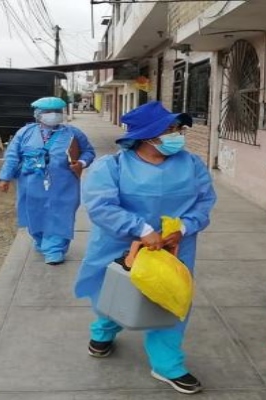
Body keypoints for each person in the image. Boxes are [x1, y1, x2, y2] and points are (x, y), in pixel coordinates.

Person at [74, 101, 216, 394]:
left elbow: (204, 201)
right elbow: (101, 206)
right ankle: (105, 330)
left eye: (178, 128)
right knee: (115, 292)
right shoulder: (112, 166)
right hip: (119, 245)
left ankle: (167, 364)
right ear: (147, 135)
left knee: (170, 299)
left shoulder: (191, 164)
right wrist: (142, 229)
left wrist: (184, 228)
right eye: (169, 129)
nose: (177, 134)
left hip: (174, 248)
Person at [0, 96, 96, 265]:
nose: (54, 115)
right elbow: (13, 156)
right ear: (38, 114)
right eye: (48, 112)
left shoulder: (73, 133)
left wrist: (81, 163)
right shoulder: (25, 133)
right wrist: (5, 177)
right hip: (31, 182)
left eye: (57, 112)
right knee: (35, 213)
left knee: (61, 214)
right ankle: (41, 239)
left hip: (64, 184)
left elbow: (89, 152)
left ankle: (55, 249)